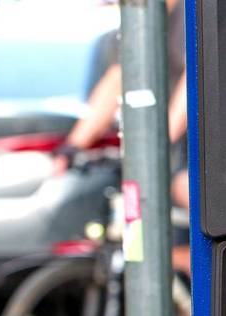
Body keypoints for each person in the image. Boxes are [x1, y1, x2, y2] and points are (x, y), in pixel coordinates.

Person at [55, 0, 191, 276]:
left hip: (197, 147)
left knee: (183, 189)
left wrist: (158, 138)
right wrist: (73, 145)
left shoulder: (189, 17)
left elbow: (192, 86)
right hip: (169, 149)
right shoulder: (135, 23)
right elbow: (115, 81)